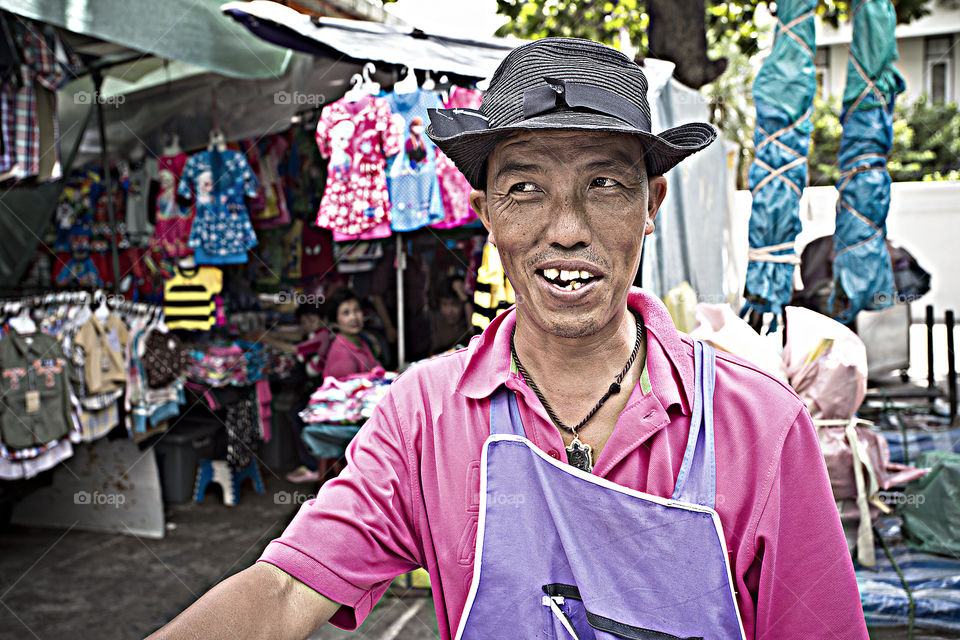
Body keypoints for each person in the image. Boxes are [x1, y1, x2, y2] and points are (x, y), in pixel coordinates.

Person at [148, 38, 868, 639]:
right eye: (524, 189)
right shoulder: (423, 416)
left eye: (605, 186)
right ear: (484, 208)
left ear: (652, 204)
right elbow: (281, 593)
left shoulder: (762, 426)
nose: (566, 229)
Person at [321, 287, 381, 381]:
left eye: (356, 310)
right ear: (335, 323)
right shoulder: (341, 354)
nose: (353, 317)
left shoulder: (362, 341)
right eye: (346, 313)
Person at [430, 275, 473, 354]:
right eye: (444, 304)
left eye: (454, 304)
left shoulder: (468, 325)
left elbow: (472, 330)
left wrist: (465, 299)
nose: (449, 311)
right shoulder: (437, 324)